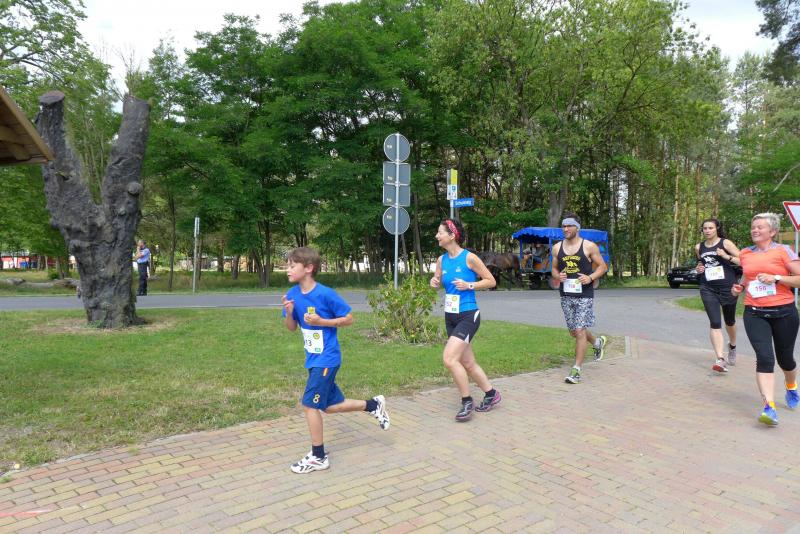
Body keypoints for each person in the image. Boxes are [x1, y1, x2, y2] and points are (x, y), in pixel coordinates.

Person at [281, 246, 390, 473]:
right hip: (312, 359)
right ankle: (373, 405)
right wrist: (290, 313)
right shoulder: (292, 294)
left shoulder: (325, 294)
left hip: (327, 358)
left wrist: (322, 322)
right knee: (328, 407)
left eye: (292, 266)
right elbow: (291, 328)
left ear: (308, 268)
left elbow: (349, 318)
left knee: (310, 405)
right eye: (287, 266)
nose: (287, 270)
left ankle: (318, 456)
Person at [732, 213, 800, 426]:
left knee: (785, 359)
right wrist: (740, 286)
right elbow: (747, 275)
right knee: (765, 358)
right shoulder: (745, 253)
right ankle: (769, 407)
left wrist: (776, 278)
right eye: (753, 227)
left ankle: (791, 385)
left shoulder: (783, 251)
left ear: (772, 231)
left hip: (784, 312)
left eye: (760, 227)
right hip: (754, 312)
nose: (755, 230)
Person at [430, 218, 501, 421]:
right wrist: (434, 282)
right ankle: (491, 394)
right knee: (468, 362)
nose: (437, 236)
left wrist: (469, 285)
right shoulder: (441, 260)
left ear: (452, 236)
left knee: (449, 359)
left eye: (440, 232)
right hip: (450, 316)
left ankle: (466, 401)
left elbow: (491, 281)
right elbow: (437, 281)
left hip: (469, 315)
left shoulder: (469, 258)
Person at [551, 213, 609, 384]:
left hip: (585, 294)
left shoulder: (589, 246)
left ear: (577, 227)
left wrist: (590, 277)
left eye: (569, 226)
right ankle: (597, 342)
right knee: (573, 332)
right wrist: (558, 276)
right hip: (566, 294)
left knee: (579, 331)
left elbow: (603, 267)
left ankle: (576, 370)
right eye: (563, 226)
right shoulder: (557, 248)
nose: (565, 229)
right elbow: (553, 269)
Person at [694, 218, 741, 372]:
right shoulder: (699, 247)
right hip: (707, 287)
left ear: (717, 229)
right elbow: (700, 263)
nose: (707, 231)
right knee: (715, 322)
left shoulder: (725, 243)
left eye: (711, 228)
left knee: (730, 322)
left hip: (728, 288)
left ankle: (732, 345)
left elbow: (744, 261)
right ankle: (720, 359)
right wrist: (699, 268)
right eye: (705, 228)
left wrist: (726, 256)